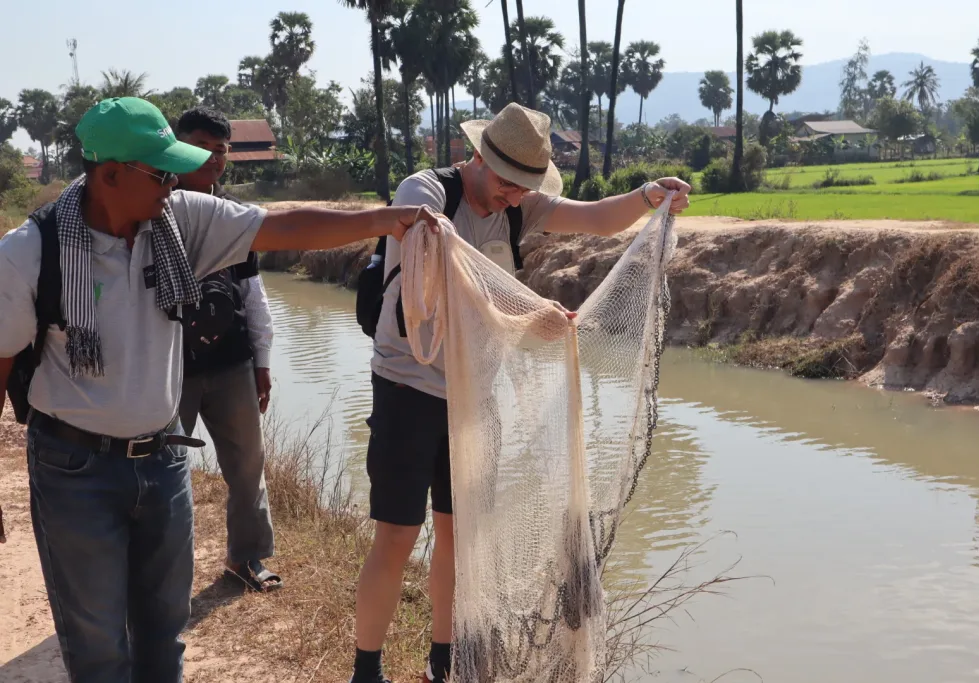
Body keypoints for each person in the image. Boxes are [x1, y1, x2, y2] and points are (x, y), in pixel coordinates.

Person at [0, 97, 439, 683]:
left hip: (163, 461)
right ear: (109, 176)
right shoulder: (29, 252)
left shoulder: (179, 219)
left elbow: (282, 226)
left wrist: (385, 220)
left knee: (164, 634)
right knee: (98, 645)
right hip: (73, 470)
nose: (173, 182)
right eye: (160, 172)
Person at [352, 102, 690, 683]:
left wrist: (647, 196)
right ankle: (367, 670)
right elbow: (441, 290)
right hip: (409, 387)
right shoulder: (425, 194)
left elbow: (594, 219)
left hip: (473, 396)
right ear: (477, 157)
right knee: (398, 535)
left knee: (459, 533)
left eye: (525, 188)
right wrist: (528, 314)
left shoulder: (517, 206)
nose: (513, 197)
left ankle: (445, 660)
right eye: (508, 183)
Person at [173, 106, 281, 593]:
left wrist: (262, 361)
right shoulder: (156, 208)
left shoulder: (237, 215)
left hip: (233, 363)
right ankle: (163, 573)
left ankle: (248, 559)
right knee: (163, 471)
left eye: (220, 150)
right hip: (170, 369)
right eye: (201, 149)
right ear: (175, 150)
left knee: (246, 465)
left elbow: (253, 293)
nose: (213, 159)